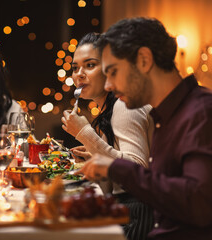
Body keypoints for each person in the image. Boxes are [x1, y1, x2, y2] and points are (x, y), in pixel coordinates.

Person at [78, 17, 212, 239]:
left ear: (143, 60)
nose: (108, 85)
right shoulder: (164, 116)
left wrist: (118, 168)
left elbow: (199, 204)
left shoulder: (200, 113)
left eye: (112, 72)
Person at [61, 32, 154, 240]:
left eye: (90, 65)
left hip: (141, 213)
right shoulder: (108, 108)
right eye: (75, 68)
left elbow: (136, 171)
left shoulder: (125, 105)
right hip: (127, 208)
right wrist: (95, 157)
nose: (79, 74)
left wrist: (85, 134)